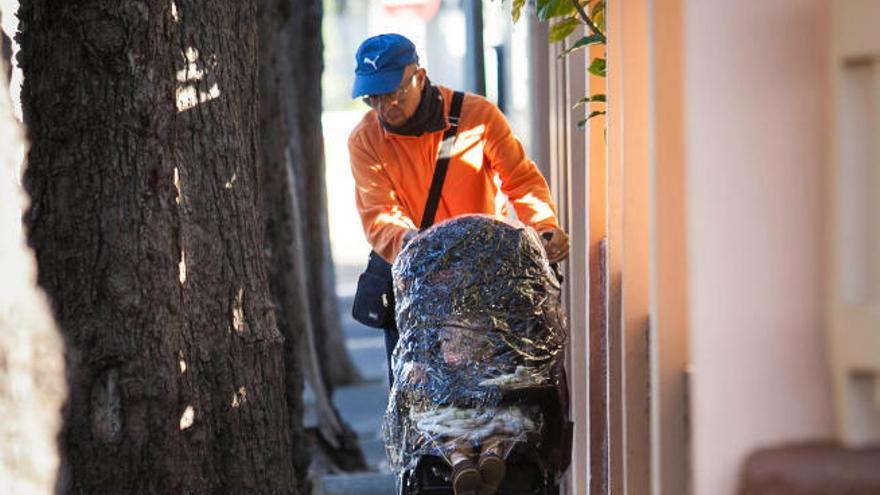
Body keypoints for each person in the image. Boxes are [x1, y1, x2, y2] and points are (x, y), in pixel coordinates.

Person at [348, 34, 569, 493]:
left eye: (392, 92)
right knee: (423, 407)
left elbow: (520, 180)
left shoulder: (475, 116)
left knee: (504, 395)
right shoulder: (366, 140)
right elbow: (379, 215)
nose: (383, 106)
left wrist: (543, 228)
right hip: (420, 290)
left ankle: (500, 459)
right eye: (372, 96)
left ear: (420, 77)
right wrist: (417, 249)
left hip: (488, 287)